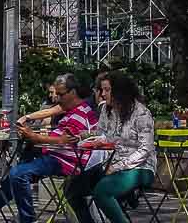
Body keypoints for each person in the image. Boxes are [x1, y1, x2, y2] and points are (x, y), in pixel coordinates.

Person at [0, 73, 98, 223]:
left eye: (60, 94)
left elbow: (65, 141)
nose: (57, 98)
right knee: (13, 179)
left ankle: (27, 219)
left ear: (72, 92)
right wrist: (28, 123)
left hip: (64, 161)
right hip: (54, 154)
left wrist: (35, 137)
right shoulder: (71, 107)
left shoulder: (81, 113)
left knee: (18, 174)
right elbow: (52, 116)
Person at [66, 71, 157, 223]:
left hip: (141, 167)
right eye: (101, 90)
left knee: (103, 191)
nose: (102, 94)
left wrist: (118, 167)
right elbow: (101, 134)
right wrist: (81, 136)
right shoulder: (106, 110)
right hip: (110, 163)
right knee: (72, 189)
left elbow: (145, 150)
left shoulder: (141, 113)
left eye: (107, 90)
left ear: (120, 91)